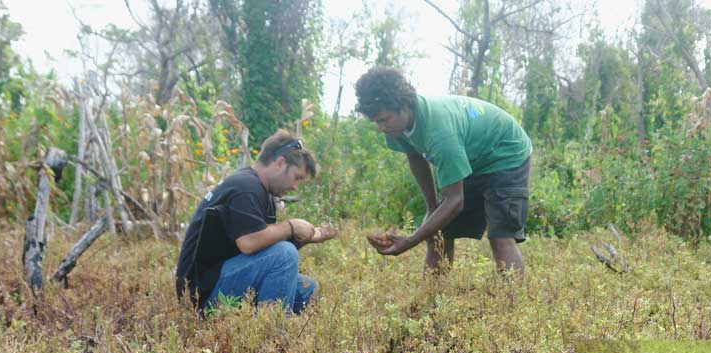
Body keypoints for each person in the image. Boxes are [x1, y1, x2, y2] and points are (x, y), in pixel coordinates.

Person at [354, 67, 532, 273]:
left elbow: (455, 201)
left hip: (506, 153)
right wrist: (431, 208)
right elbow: (415, 156)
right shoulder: (397, 126)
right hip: (472, 157)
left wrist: (411, 241)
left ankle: (511, 293)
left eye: (384, 120)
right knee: (439, 229)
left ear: (403, 105)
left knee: (501, 236)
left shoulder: (440, 133)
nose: (381, 128)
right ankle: (434, 292)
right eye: (376, 122)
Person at [175, 130, 336, 314]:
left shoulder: (260, 190)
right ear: (280, 163)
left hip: (224, 275)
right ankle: (271, 329)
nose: (295, 186)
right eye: (297, 177)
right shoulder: (246, 186)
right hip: (201, 292)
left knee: (307, 289)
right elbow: (249, 243)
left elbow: (264, 250)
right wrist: (292, 226)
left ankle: (263, 323)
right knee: (284, 255)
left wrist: (304, 238)